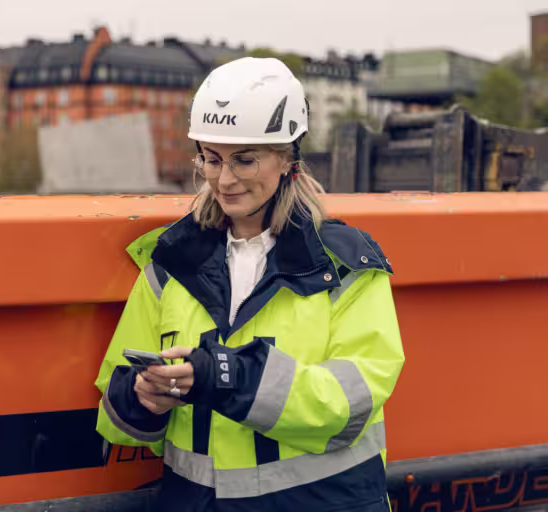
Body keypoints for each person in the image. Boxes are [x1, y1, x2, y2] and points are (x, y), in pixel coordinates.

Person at [95, 57, 405, 511]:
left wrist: (225, 375)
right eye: (211, 158)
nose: (223, 179)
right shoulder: (170, 263)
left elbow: (349, 404)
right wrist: (143, 396)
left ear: (287, 159)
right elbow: (115, 416)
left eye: (244, 159)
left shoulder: (344, 267)